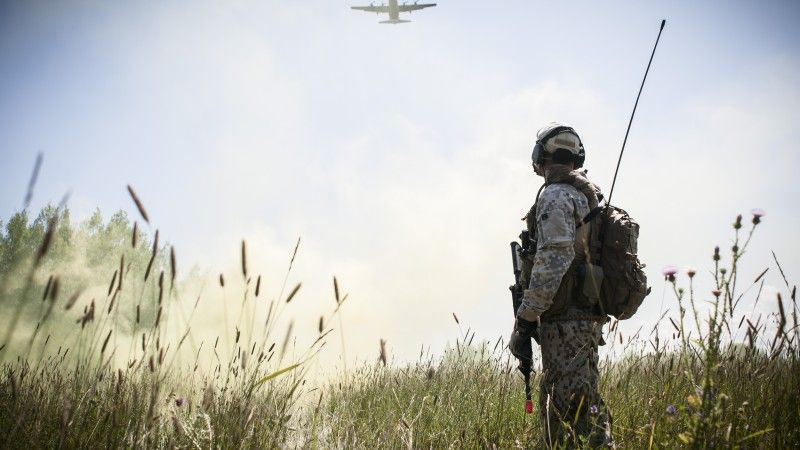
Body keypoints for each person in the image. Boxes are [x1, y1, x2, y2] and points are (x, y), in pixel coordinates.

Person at [508, 122, 612, 448]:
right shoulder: (588, 197)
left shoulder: (555, 196)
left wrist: (524, 320)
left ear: (540, 158)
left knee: (578, 414)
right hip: (581, 318)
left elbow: (554, 258)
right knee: (564, 414)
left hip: (566, 322)